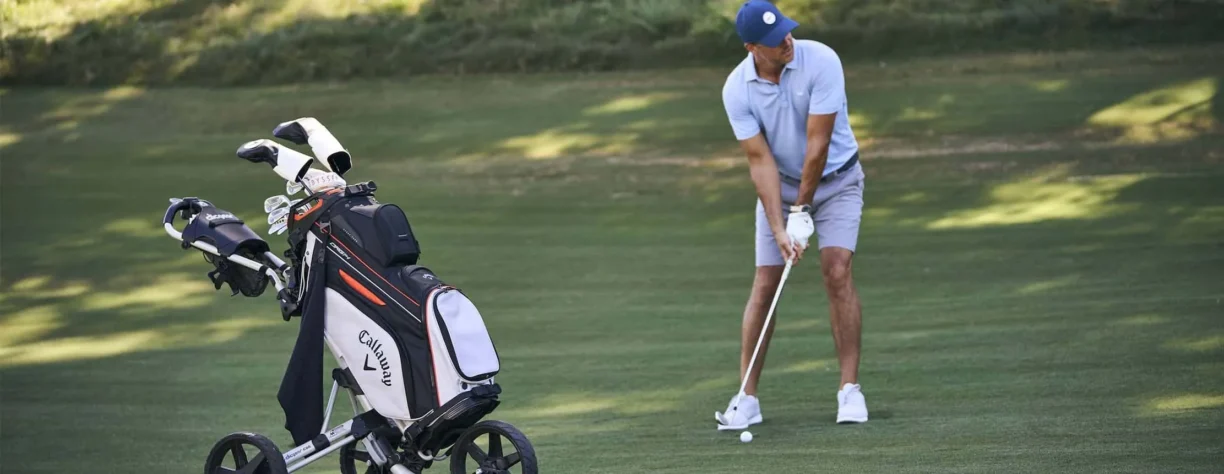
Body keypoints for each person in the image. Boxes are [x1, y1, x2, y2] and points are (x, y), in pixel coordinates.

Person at [714, 0, 869, 429]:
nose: (785, 40)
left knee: (836, 270)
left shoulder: (821, 60)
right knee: (765, 283)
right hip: (779, 187)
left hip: (838, 180)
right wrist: (780, 225)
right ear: (751, 48)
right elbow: (759, 161)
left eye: (785, 30)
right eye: (772, 40)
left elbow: (817, 146)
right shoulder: (736, 90)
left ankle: (849, 390)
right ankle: (747, 398)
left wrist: (801, 208)